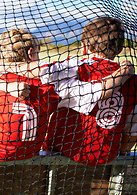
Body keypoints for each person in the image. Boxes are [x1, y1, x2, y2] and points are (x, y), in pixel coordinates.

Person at [0, 29, 132, 162]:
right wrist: (122, 74)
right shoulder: (52, 86)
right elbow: (96, 91)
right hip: (32, 153)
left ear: (2, 55)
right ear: (32, 52)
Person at [44, 17, 137, 166]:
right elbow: (132, 131)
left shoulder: (75, 68)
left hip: (58, 156)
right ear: (119, 48)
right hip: (106, 160)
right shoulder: (133, 82)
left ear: (85, 46)